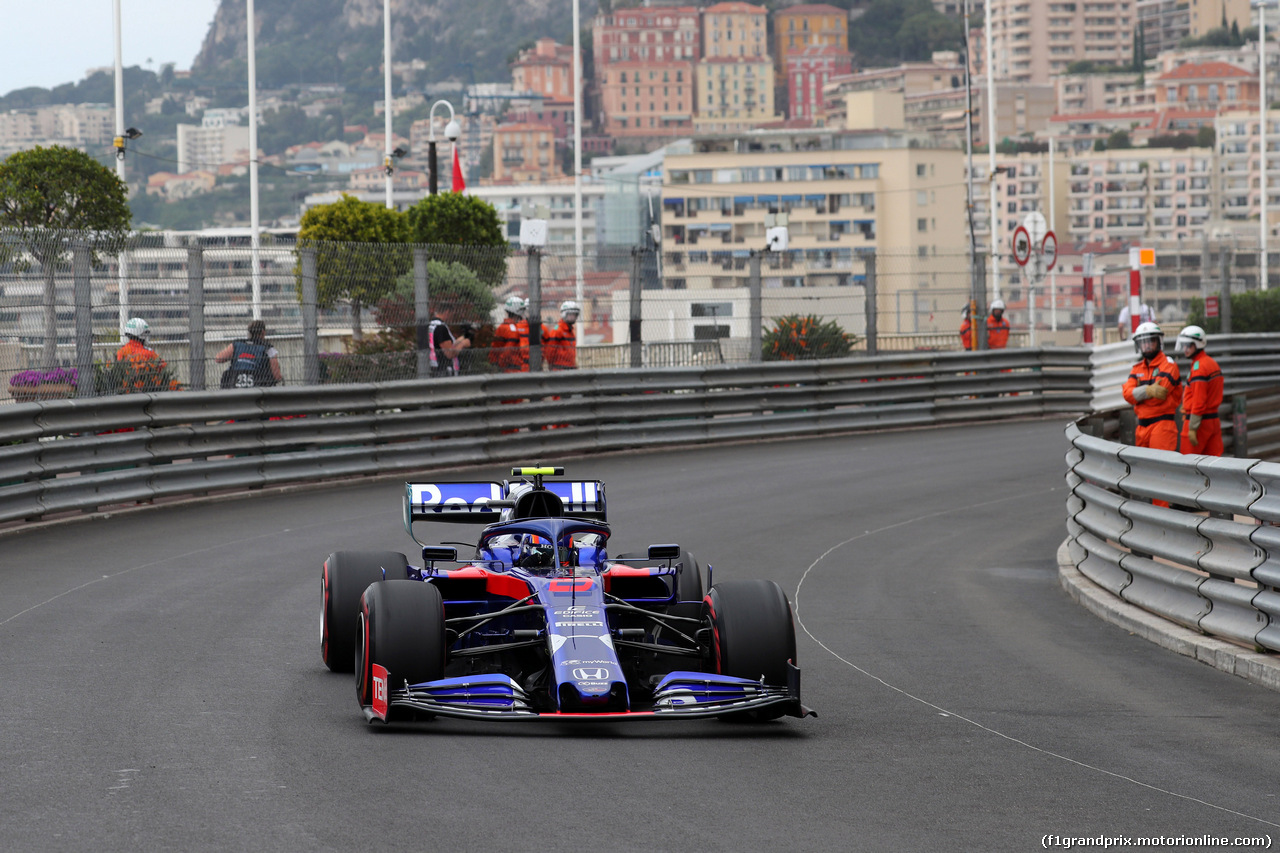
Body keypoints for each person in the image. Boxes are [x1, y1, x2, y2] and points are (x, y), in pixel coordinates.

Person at [1122, 322, 1183, 467]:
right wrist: (1148, 390)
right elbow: (1127, 395)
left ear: (1158, 342)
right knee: (1143, 471)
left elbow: (1159, 396)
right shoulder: (1136, 369)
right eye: (1143, 342)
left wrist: (1139, 394)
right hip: (1141, 428)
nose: (1147, 346)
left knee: (1161, 469)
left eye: (1150, 341)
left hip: (1162, 426)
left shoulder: (1169, 365)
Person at [1176, 324, 1224, 457]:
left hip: (1198, 423)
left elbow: (1199, 400)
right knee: (1214, 465)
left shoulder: (1199, 368)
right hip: (1213, 421)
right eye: (1184, 345)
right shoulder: (1212, 363)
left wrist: (1193, 427)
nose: (1185, 349)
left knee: (1189, 466)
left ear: (1197, 345)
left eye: (1188, 345)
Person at [216, 319, 282, 388]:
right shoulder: (268, 348)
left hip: (235, 385)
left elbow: (218, 359)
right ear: (263, 332)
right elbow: (277, 376)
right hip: (259, 386)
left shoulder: (236, 344)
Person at [427, 302, 471, 378]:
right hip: (445, 370)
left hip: (435, 366)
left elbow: (443, 343)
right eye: (452, 314)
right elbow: (449, 353)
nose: (452, 317)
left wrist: (463, 338)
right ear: (447, 312)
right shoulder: (441, 327)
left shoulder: (431, 325)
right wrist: (463, 344)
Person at [491, 294, 530, 373]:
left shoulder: (502, 327)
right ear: (517, 311)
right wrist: (501, 364)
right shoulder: (513, 330)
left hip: (502, 366)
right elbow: (508, 350)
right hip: (512, 368)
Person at [544, 300, 580, 370]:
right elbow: (550, 351)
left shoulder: (570, 331)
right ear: (564, 314)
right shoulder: (557, 330)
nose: (574, 317)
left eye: (575, 315)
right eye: (571, 315)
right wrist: (551, 365)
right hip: (559, 368)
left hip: (570, 367)